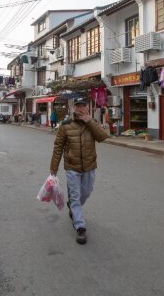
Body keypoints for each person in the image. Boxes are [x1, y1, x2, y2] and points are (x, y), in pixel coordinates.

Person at [49, 97, 108, 244]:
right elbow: (58, 147)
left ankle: (73, 207)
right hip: (72, 167)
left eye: (83, 105)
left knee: (86, 192)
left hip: (89, 166)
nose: (81, 108)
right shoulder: (66, 125)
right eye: (78, 105)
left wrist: (89, 121)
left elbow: (102, 137)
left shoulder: (93, 123)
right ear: (74, 108)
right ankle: (80, 227)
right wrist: (53, 168)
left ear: (88, 107)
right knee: (75, 196)